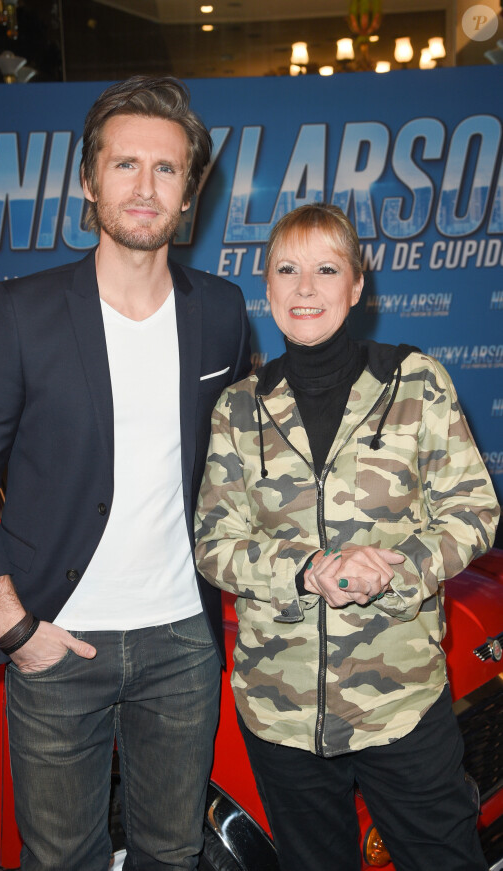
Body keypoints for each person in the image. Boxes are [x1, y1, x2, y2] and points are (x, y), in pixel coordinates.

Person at [0, 76, 251, 871]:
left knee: (171, 855)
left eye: (167, 170)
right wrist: (14, 625)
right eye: (125, 165)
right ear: (88, 180)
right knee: (61, 861)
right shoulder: (23, 310)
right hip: (55, 638)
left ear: (191, 192)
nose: (145, 188)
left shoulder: (221, 310)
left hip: (183, 641)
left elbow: (238, 467)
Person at [194, 203, 499, 871]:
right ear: (267, 288)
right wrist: (302, 571)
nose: (306, 288)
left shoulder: (416, 383)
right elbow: (213, 542)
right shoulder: (238, 409)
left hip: (402, 703)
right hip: (281, 712)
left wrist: (402, 566)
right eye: (288, 270)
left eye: (326, 269)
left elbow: (474, 510)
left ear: (357, 284)